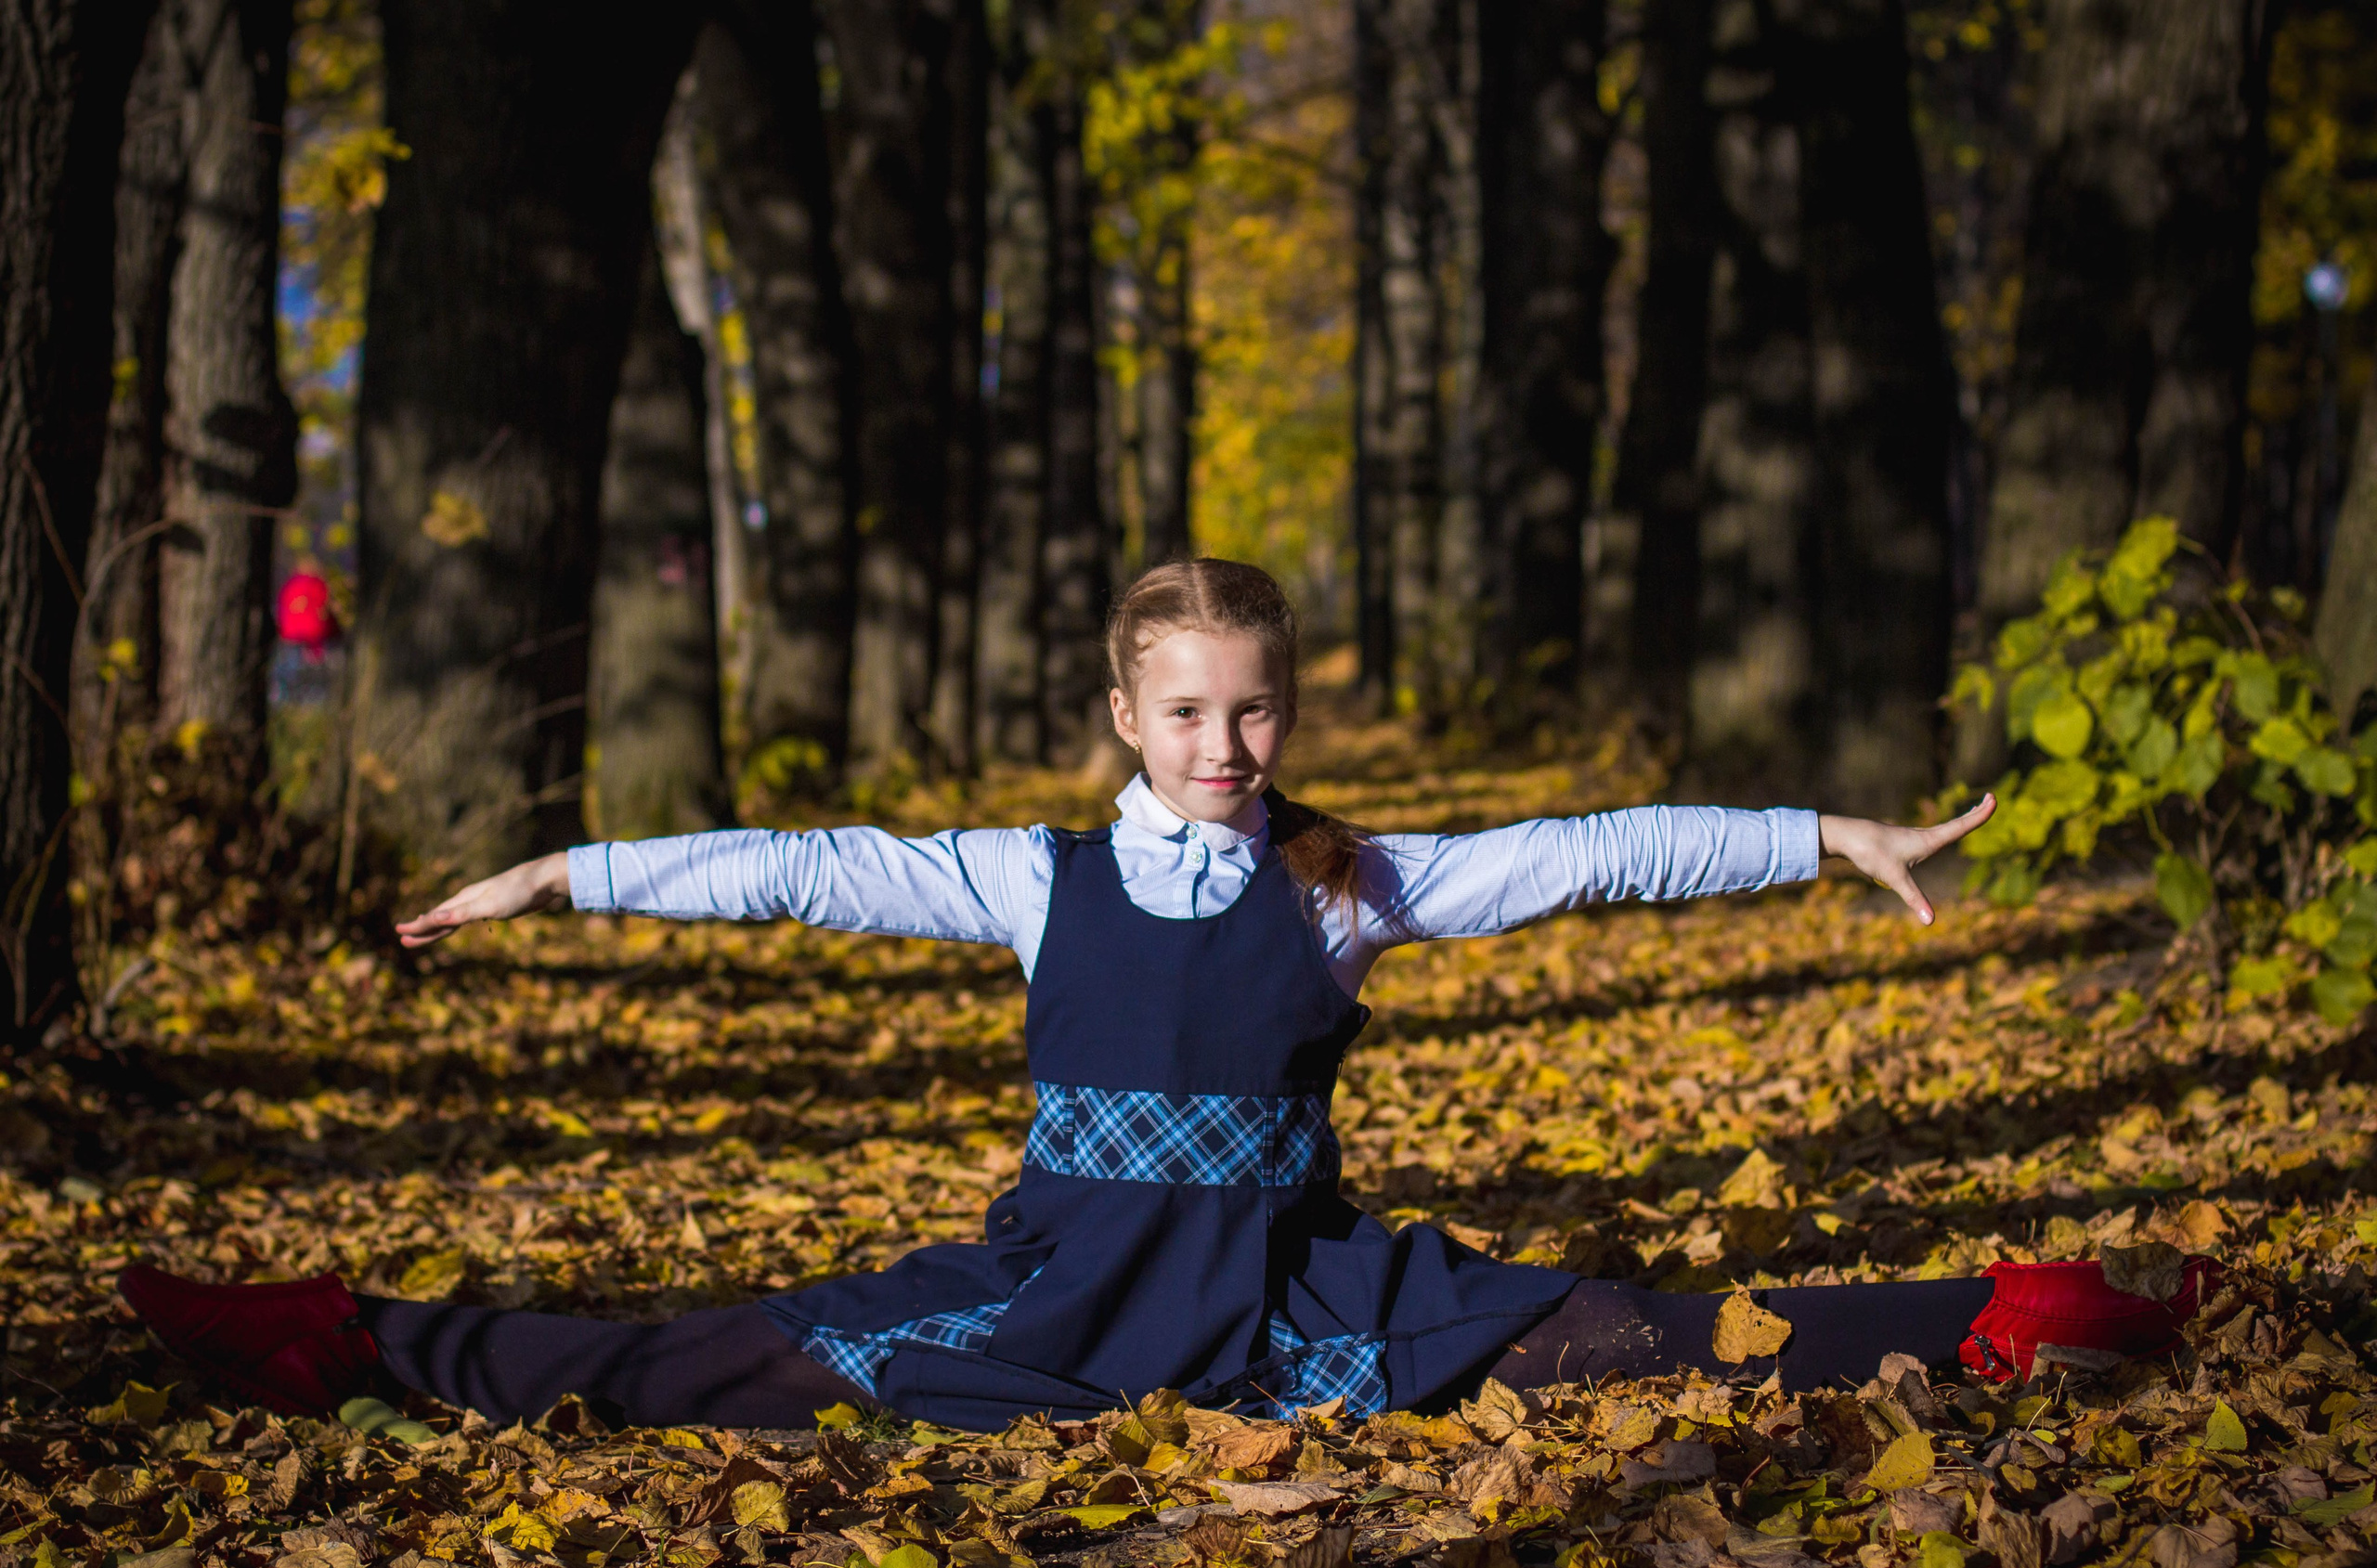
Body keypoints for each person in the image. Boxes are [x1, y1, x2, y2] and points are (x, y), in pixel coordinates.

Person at [121, 559, 2215, 1431]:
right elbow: (793, 868)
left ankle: (2006, 1307)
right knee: (701, 1359)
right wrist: (555, 873)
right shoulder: (1021, 880)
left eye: (1254, 706)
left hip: (1302, 1292)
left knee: (1650, 1339)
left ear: (1279, 710)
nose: (1223, 739)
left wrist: (1827, 836)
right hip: (1049, 1289)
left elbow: (1590, 843)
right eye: (1184, 706)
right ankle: (342, 1335)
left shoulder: (1346, 882)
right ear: (1122, 707)